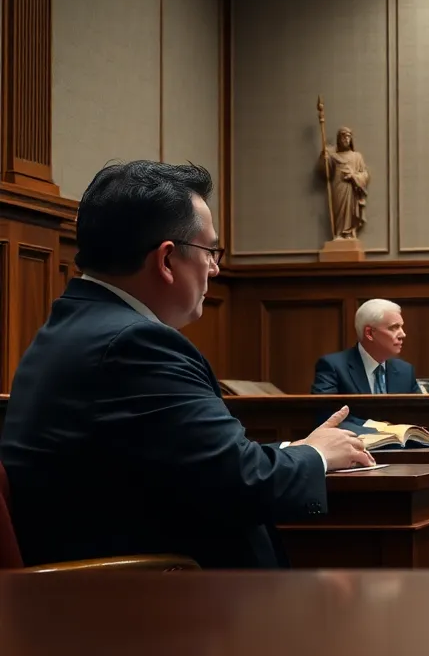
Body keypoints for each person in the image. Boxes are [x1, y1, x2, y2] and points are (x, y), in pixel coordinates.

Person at [0, 161, 374, 569]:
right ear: (165, 259)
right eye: (210, 251)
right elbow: (239, 484)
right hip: (153, 607)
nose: (215, 267)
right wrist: (317, 456)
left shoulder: (75, 325)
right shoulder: (136, 344)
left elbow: (188, 462)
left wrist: (294, 450)